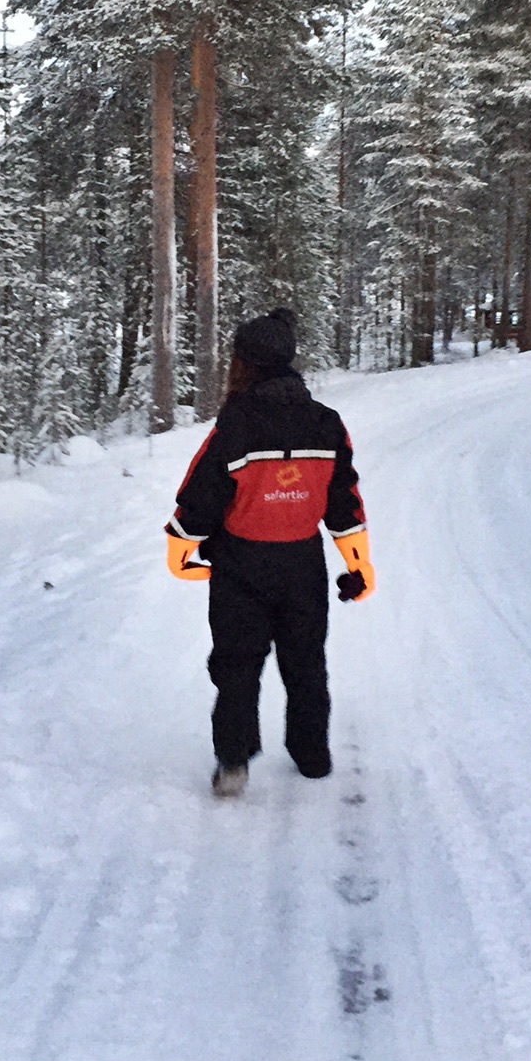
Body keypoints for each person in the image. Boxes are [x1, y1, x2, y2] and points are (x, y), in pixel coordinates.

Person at [163, 308, 376, 798]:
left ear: (243, 362)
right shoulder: (327, 425)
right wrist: (358, 562)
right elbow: (344, 500)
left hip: (241, 567)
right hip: (303, 564)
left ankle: (234, 763)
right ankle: (313, 757)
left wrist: (181, 545)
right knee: (306, 661)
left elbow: (201, 494)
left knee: (238, 664)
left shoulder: (234, 426)